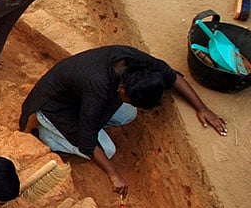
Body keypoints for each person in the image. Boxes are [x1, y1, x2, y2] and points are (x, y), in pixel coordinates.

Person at [19, 45, 227, 195]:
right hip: (55, 108)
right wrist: (113, 174)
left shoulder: (138, 63)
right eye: (131, 99)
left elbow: (171, 75)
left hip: (81, 100)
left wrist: (202, 108)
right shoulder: (98, 87)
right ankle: (49, 136)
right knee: (107, 151)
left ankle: (62, 134)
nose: (132, 103)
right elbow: (87, 138)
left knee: (129, 113)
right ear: (123, 90)